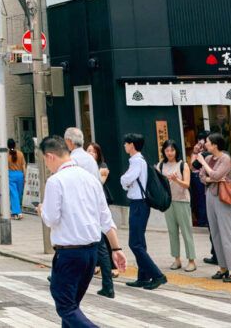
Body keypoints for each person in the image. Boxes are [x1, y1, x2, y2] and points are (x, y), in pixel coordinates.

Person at [38, 135, 128, 328]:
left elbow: (51, 218)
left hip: (69, 253)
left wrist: (41, 211)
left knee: (65, 307)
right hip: (90, 253)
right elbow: (106, 218)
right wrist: (116, 248)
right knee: (72, 306)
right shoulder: (92, 179)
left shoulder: (56, 181)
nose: (46, 165)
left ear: (50, 156)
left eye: (45, 160)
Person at [194, 132, 231, 283]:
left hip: (223, 197)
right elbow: (203, 177)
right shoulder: (210, 158)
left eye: (208, 142)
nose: (206, 144)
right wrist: (212, 176)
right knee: (215, 233)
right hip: (210, 195)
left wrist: (205, 166)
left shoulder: (225, 159)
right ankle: (223, 267)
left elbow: (216, 175)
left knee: (228, 232)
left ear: (215, 145)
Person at [119, 132, 165, 289]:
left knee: (135, 243)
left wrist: (124, 181)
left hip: (139, 204)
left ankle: (157, 275)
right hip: (140, 204)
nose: (124, 145)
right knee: (139, 242)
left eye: (126, 143)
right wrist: (127, 182)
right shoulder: (139, 160)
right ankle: (143, 277)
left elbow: (125, 179)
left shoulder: (137, 161)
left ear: (131, 145)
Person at [84, 141, 115, 297]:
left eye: (93, 151)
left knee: (100, 244)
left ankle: (108, 284)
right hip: (91, 208)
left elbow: (98, 185)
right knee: (97, 245)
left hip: (97, 207)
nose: (90, 153)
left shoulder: (102, 167)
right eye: (88, 151)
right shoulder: (86, 168)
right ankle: (107, 285)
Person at [160, 140, 196, 272]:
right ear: (164, 151)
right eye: (167, 150)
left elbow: (187, 184)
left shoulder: (183, 165)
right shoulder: (161, 165)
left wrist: (176, 180)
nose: (169, 153)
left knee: (186, 231)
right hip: (169, 202)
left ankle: (191, 260)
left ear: (176, 151)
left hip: (182, 200)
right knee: (172, 231)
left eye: (172, 150)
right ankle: (176, 259)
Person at [7, 139, 26, 220]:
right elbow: (24, 166)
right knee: (18, 194)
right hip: (19, 175)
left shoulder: (7, 155)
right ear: (15, 145)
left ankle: (17, 212)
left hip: (10, 175)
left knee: (13, 194)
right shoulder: (20, 154)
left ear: (8, 146)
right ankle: (15, 211)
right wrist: (25, 176)